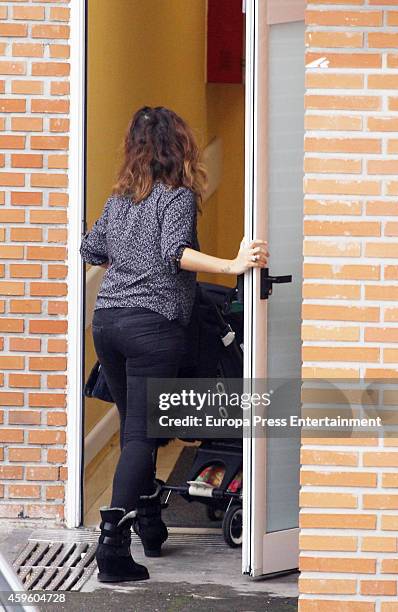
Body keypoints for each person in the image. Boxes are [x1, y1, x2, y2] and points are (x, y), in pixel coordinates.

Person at [80, 106, 268, 583]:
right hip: (152, 328)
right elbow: (175, 253)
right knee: (144, 436)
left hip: (107, 323)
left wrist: (128, 247)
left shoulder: (121, 198)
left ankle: (148, 521)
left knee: (134, 431)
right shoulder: (177, 197)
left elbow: (91, 248)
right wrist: (234, 264)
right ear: (179, 146)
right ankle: (113, 550)